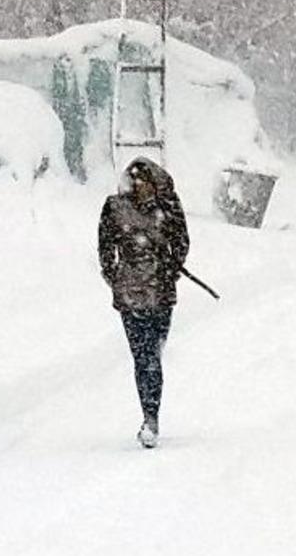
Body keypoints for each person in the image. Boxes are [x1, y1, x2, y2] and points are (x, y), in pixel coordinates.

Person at [98, 156, 189, 448]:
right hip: (130, 297)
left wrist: (169, 269)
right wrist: (116, 276)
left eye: (145, 182)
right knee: (145, 357)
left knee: (153, 353)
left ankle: (151, 412)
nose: (139, 188)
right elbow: (105, 247)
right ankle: (150, 416)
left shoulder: (168, 206)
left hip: (160, 295)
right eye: (134, 182)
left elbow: (182, 242)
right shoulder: (115, 207)